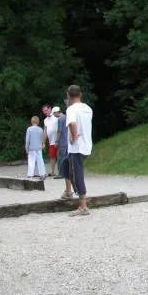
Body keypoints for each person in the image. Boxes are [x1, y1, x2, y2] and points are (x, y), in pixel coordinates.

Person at [65, 85, 93, 216]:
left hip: (76, 147)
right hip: (87, 145)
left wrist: (74, 136)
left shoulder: (71, 109)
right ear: (80, 94)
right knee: (65, 165)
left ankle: (83, 206)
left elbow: (72, 123)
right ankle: (68, 191)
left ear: (68, 95)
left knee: (77, 175)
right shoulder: (88, 108)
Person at [44, 105, 61, 175]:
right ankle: (53, 171)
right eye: (44, 111)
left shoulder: (56, 116)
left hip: (59, 140)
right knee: (52, 157)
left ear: (50, 109)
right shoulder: (45, 120)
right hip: (51, 141)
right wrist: (43, 142)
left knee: (59, 156)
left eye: (46, 110)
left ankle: (61, 171)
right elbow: (45, 131)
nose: (45, 112)